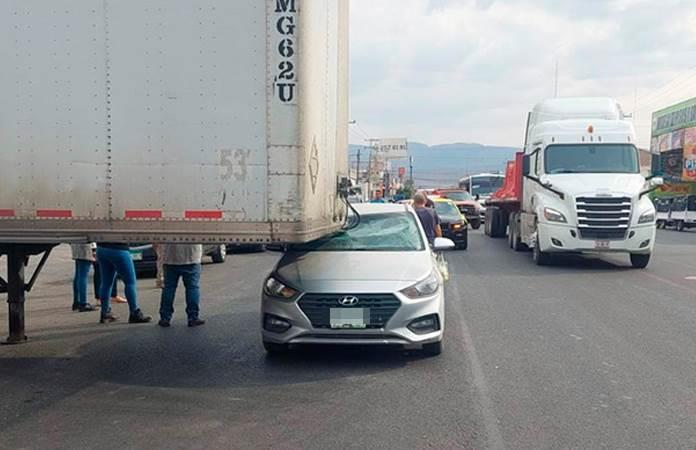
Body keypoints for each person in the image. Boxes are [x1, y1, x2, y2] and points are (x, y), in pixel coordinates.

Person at [96, 243, 151, 324]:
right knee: (130, 282)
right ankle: (134, 312)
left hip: (101, 249)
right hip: (119, 248)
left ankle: (105, 313)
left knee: (106, 283)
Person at [158, 243, 205, 328]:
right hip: (191, 256)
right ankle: (193, 317)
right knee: (192, 287)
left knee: (169, 288)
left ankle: (165, 317)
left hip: (170, 257)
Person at [70, 244, 98, 312]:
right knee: (83, 275)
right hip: (86, 246)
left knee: (78, 275)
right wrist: (94, 249)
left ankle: (76, 301)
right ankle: (83, 303)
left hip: (76, 245)